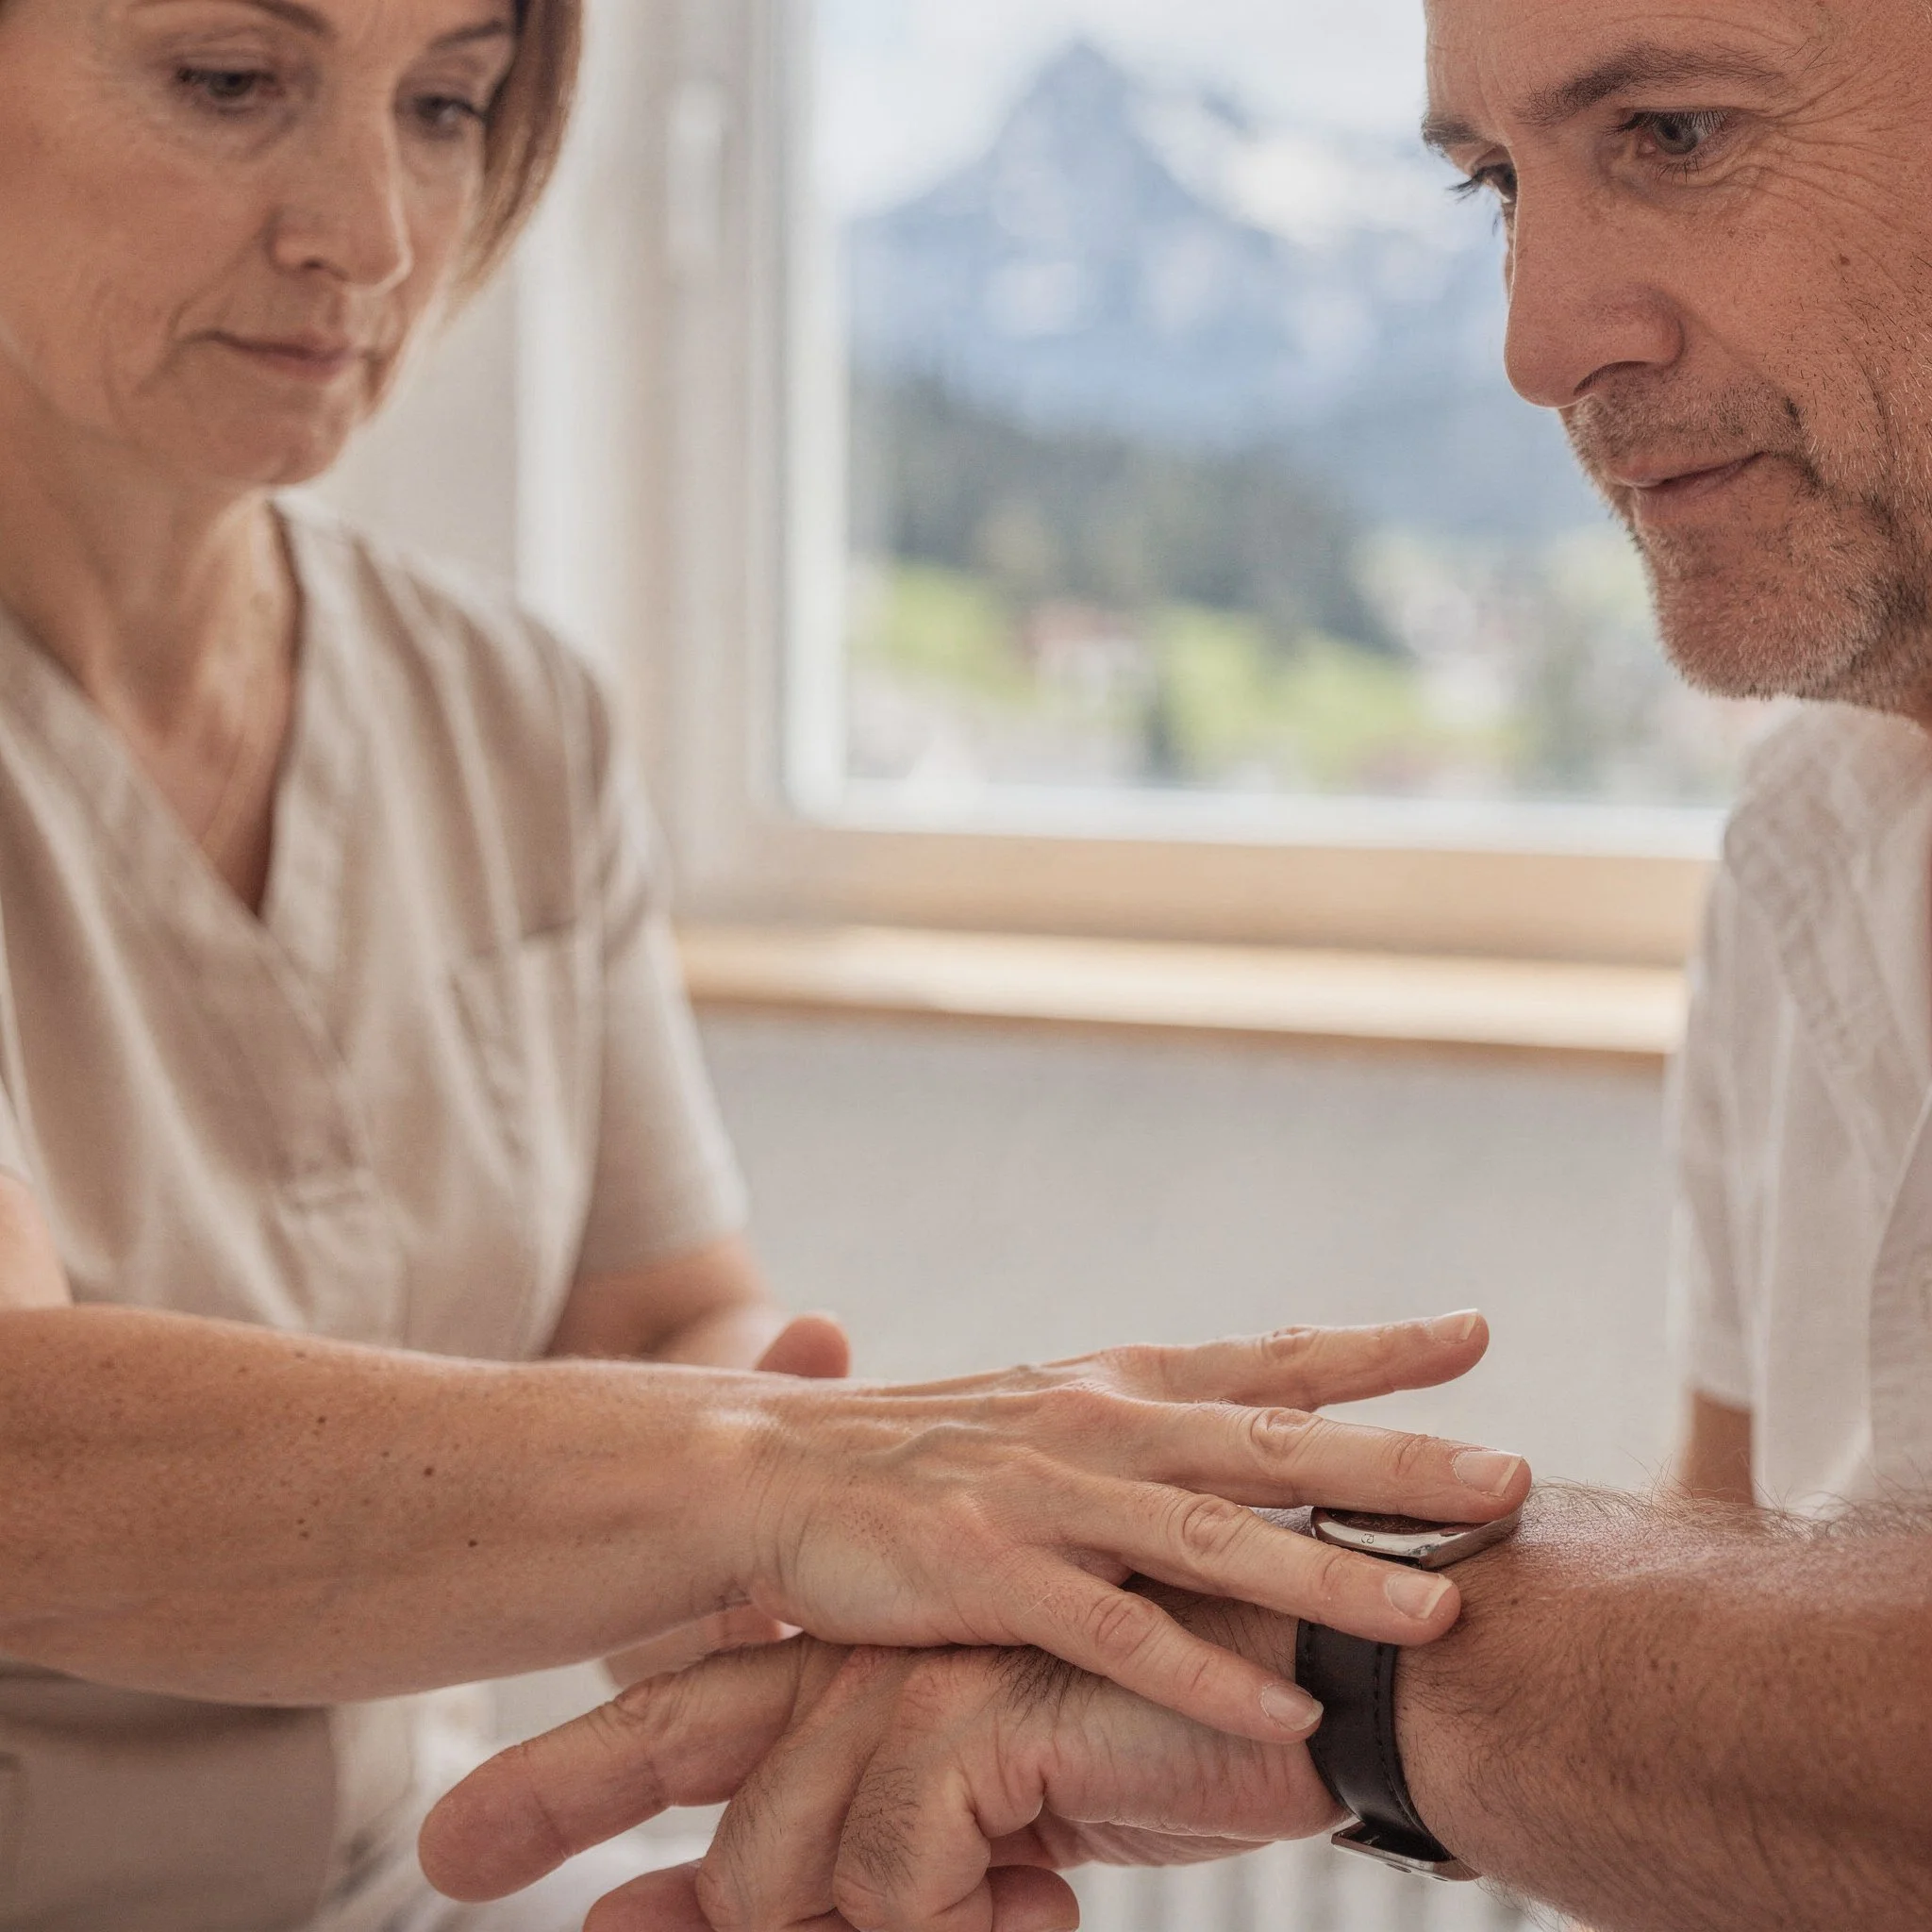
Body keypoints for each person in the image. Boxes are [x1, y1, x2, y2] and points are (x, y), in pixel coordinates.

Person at [0, 2, 1539, 1929]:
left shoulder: (501, 709)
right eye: (232, 83)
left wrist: (842, 1580)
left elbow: (659, 1324)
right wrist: (785, 1477)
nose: (374, 234)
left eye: (449, 105)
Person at [418, 0, 1932, 1927]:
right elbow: (1747, 1789)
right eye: (1495, 188)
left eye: (1675, 135)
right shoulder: (1811, 846)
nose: (1537, 346)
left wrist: (1332, 1660)